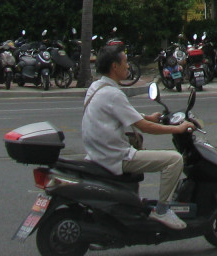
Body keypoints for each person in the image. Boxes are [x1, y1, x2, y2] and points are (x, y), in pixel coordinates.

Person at [81, 43, 193, 230]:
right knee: (174, 160)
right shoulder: (113, 94)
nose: (128, 66)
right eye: (125, 62)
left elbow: (122, 114)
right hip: (115, 157)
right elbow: (145, 128)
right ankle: (163, 210)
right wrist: (179, 129)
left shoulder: (96, 88)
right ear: (114, 67)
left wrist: (148, 116)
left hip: (97, 154)